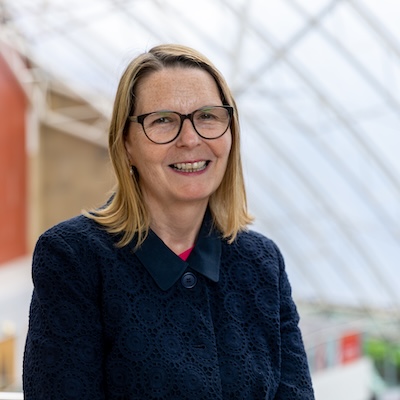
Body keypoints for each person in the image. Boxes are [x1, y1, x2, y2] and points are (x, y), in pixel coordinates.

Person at [23, 43, 315, 399]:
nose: (190, 139)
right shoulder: (74, 258)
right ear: (126, 143)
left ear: (230, 132)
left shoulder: (262, 262)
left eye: (208, 116)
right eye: (163, 120)